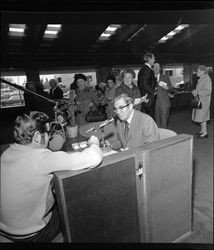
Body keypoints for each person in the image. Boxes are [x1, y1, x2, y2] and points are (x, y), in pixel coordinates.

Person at [0, 111, 103, 242]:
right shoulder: (40, 159)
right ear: (37, 137)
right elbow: (94, 158)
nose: (49, 138)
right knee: (80, 211)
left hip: (5, 230)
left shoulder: (6, 153)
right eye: (47, 134)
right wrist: (94, 143)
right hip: (32, 235)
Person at [192, 65, 212, 138]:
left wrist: (198, 92)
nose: (196, 72)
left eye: (198, 71)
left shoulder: (207, 79)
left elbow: (208, 91)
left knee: (203, 117)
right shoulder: (201, 78)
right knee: (201, 116)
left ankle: (205, 133)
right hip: (200, 100)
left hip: (204, 101)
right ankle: (202, 131)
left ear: (203, 72)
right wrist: (195, 92)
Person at [137, 52, 157, 118]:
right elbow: (145, 84)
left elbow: (140, 83)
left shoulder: (142, 69)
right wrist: (153, 92)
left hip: (144, 97)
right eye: (153, 58)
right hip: (148, 98)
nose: (154, 60)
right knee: (150, 118)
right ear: (149, 59)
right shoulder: (148, 70)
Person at [153, 63, 173, 128]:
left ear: (160, 69)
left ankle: (165, 136)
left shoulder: (165, 76)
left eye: (157, 67)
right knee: (156, 122)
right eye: (154, 67)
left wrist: (167, 88)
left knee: (164, 121)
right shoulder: (150, 78)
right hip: (154, 103)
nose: (156, 68)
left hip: (164, 103)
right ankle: (159, 136)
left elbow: (171, 87)